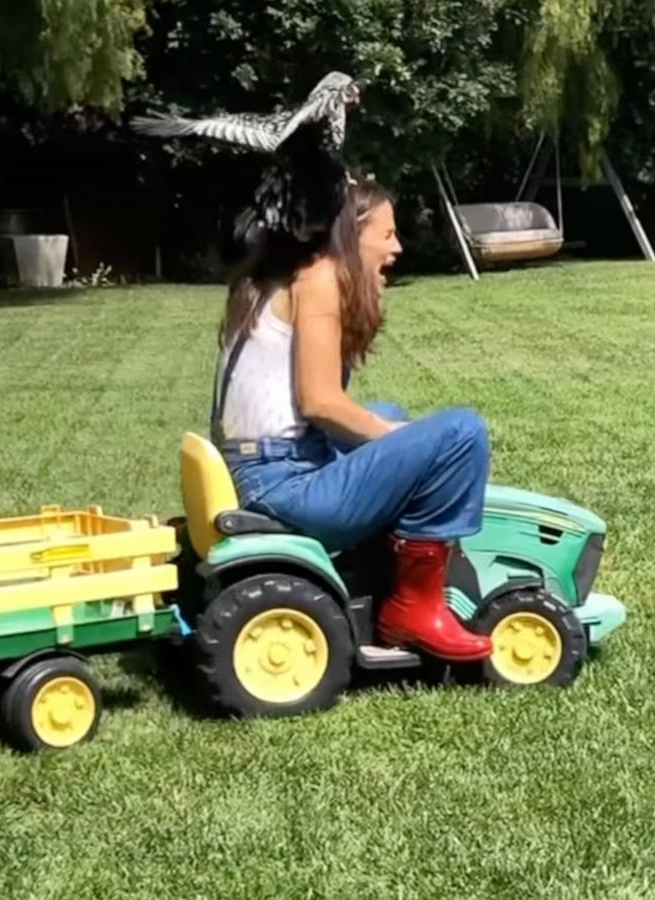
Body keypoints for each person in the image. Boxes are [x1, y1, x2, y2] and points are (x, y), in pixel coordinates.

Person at [211, 173, 493, 662]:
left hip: (257, 467)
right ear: (349, 233)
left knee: (387, 414)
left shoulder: (270, 273)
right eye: (386, 234)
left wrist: (387, 430)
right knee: (460, 433)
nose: (398, 246)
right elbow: (321, 402)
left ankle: (382, 567)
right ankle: (415, 607)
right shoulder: (318, 276)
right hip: (283, 484)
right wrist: (392, 437)